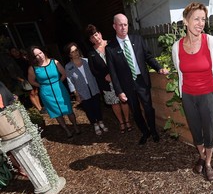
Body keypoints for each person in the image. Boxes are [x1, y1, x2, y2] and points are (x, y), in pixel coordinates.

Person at [172, 2, 213, 181]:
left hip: (208, 95)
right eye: (196, 19)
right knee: (196, 130)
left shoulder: (210, 41)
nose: (200, 23)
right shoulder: (177, 47)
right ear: (185, 21)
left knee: (209, 131)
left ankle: (208, 163)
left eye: (203, 19)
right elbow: (180, 72)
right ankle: (201, 155)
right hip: (188, 96)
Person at [105, 13, 169, 145]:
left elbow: (148, 57)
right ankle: (145, 132)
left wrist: (159, 68)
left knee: (148, 108)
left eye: (125, 24)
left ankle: (153, 131)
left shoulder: (138, 39)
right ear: (114, 26)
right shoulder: (110, 48)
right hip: (127, 85)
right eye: (120, 25)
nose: (123, 27)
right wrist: (119, 91)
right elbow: (113, 72)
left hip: (141, 81)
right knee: (135, 111)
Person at [85, 24, 131, 134]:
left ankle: (128, 121)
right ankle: (121, 122)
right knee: (114, 102)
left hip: (119, 79)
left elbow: (122, 59)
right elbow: (93, 70)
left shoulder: (112, 44)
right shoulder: (91, 53)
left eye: (96, 35)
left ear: (100, 34)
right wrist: (104, 76)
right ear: (90, 40)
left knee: (123, 100)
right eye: (92, 37)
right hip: (106, 82)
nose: (96, 38)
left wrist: (115, 73)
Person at [27, 46, 80, 139]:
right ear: (34, 58)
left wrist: (58, 82)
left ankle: (75, 126)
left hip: (59, 88)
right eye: (36, 55)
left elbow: (64, 73)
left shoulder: (54, 62)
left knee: (68, 109)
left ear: (43, 52)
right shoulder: (33, 68)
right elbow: (31, 81)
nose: (39, 56)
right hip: (46, 93)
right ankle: (67, 130)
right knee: (56, 112)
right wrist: (42, 86)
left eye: (40, 53)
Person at [64, 42, 108, 136]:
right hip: (82, 90)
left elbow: (95, 74)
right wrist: (76, 94)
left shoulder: (87, 61)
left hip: (93, 87)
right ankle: (95, 124)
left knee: (97, 106)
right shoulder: (68, 67)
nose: (75, 53)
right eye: (72, 52)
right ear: (69, 54)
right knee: (88, 108)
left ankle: (100, 121)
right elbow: (70, 81)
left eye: (76, 50)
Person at [0, 81, 27, 177]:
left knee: (15, 139)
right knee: (6, 146)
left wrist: (12, 99)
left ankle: (25, 162)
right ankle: (20, 166)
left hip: (8, 116)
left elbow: (7, 94)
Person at [9, 47, 45, 113]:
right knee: (31, 93)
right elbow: (13, 73)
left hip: (31, 76)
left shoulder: (24, 57)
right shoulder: (12, 61)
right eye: (13, 51)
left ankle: (40, 107)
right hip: (24, 79)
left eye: (16, 50)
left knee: (36, 92)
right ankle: (39, 108)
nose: (15, 52)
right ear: (11, 53)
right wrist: (21, 79)